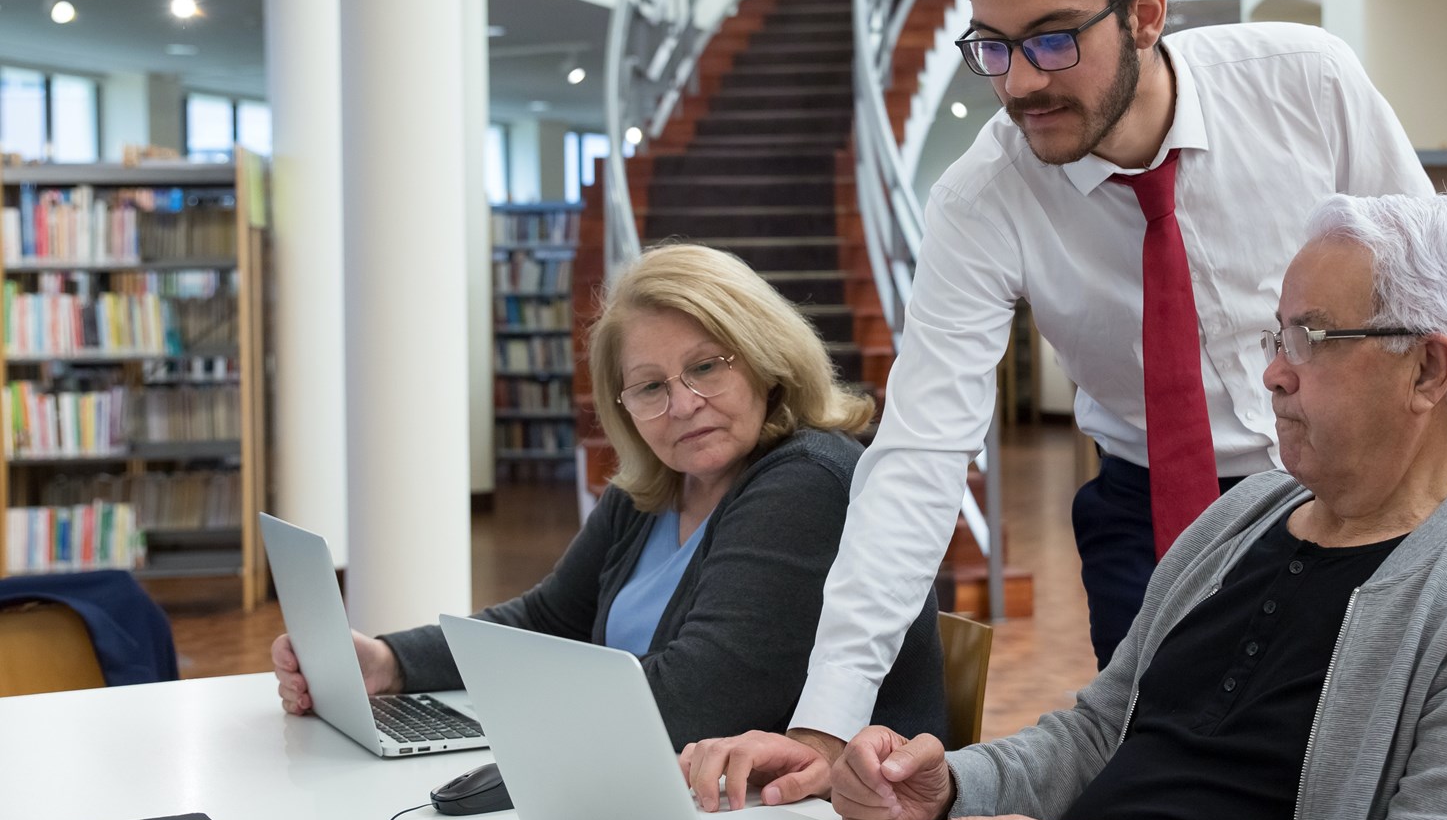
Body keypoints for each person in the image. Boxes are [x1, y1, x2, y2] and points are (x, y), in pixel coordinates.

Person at [685, 0, 1436, 797]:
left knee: (1364, 782)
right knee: (1168, 784)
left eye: (1048, 42)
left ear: (1144, 14)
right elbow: (917, 457)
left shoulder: (1305, 84)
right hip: (1145, 505)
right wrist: (827, 721)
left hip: (1351, 480)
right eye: (989, 48)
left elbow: (1440, 302)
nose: (1017, 84)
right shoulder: (983, 197)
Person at [816, 193, 1447, 820]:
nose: (1274, 370)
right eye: (1277, 333)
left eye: (1311, 337)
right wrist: (953, 784)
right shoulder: (1245, 515)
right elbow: (1098, 735)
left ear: (1428, 369)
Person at [271, 242, 948, 748]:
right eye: (651, 386)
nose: (682, 404)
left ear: (766, 358)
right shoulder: (654, 488)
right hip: (682, 801)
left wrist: (509, 719)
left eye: (707, 366)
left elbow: (696, 699)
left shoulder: (808, 480)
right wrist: (393, 661)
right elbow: (546, 619)